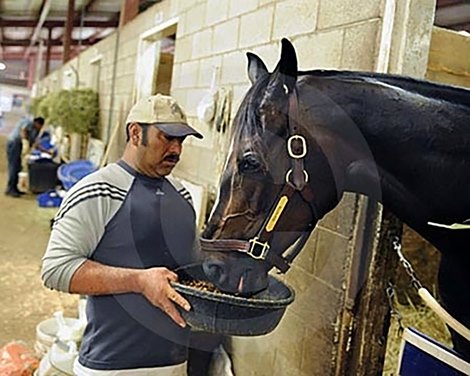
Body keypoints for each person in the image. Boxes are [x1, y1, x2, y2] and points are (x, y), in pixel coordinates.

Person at [41, 94, 204, 375]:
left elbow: (194, 269)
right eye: (167, 137)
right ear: (135, 132)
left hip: (174, 363)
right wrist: (139, 281)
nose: (176, 149)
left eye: (182, 141)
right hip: (112, 365)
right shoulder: (97, 191)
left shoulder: (183, 195)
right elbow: (56, 269)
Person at [5, 116, 44, 197]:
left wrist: (47, 151)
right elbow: (23, 131)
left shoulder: (35, 130)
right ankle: (10, 189)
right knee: (13, 166)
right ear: (36, 123)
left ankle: (14, 188)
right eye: (40, 126)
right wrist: (25, 141)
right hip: (14, 144)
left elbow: (34, 144)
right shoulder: (28, 122)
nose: (40, 128)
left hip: (19, 145)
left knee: (18, 167)